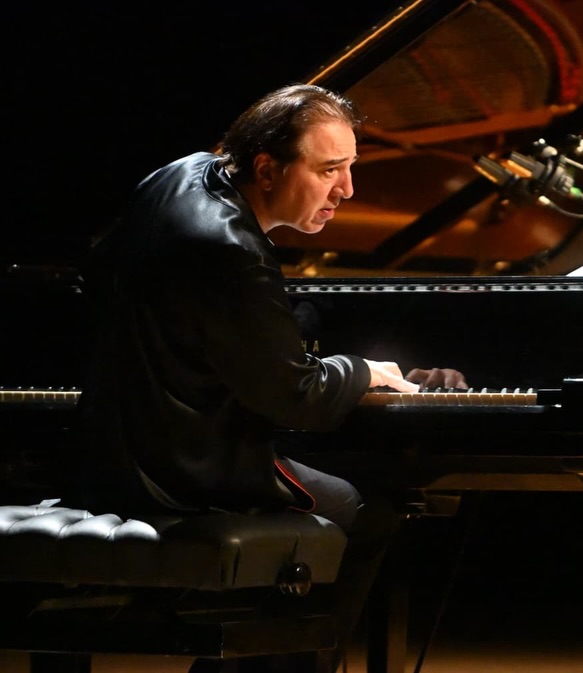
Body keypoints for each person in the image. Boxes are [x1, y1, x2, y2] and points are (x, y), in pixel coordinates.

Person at [73, 83, 466, 670]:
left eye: (351, 166)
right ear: (265, 168)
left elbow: (97, 270)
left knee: (331, 486)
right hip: (183, 471)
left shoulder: (180, 174)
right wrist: (361, 369)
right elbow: (298, 398)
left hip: (111, 451)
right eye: (329, 169)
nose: (347, 189)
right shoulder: (233, 252)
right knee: (366, 512)